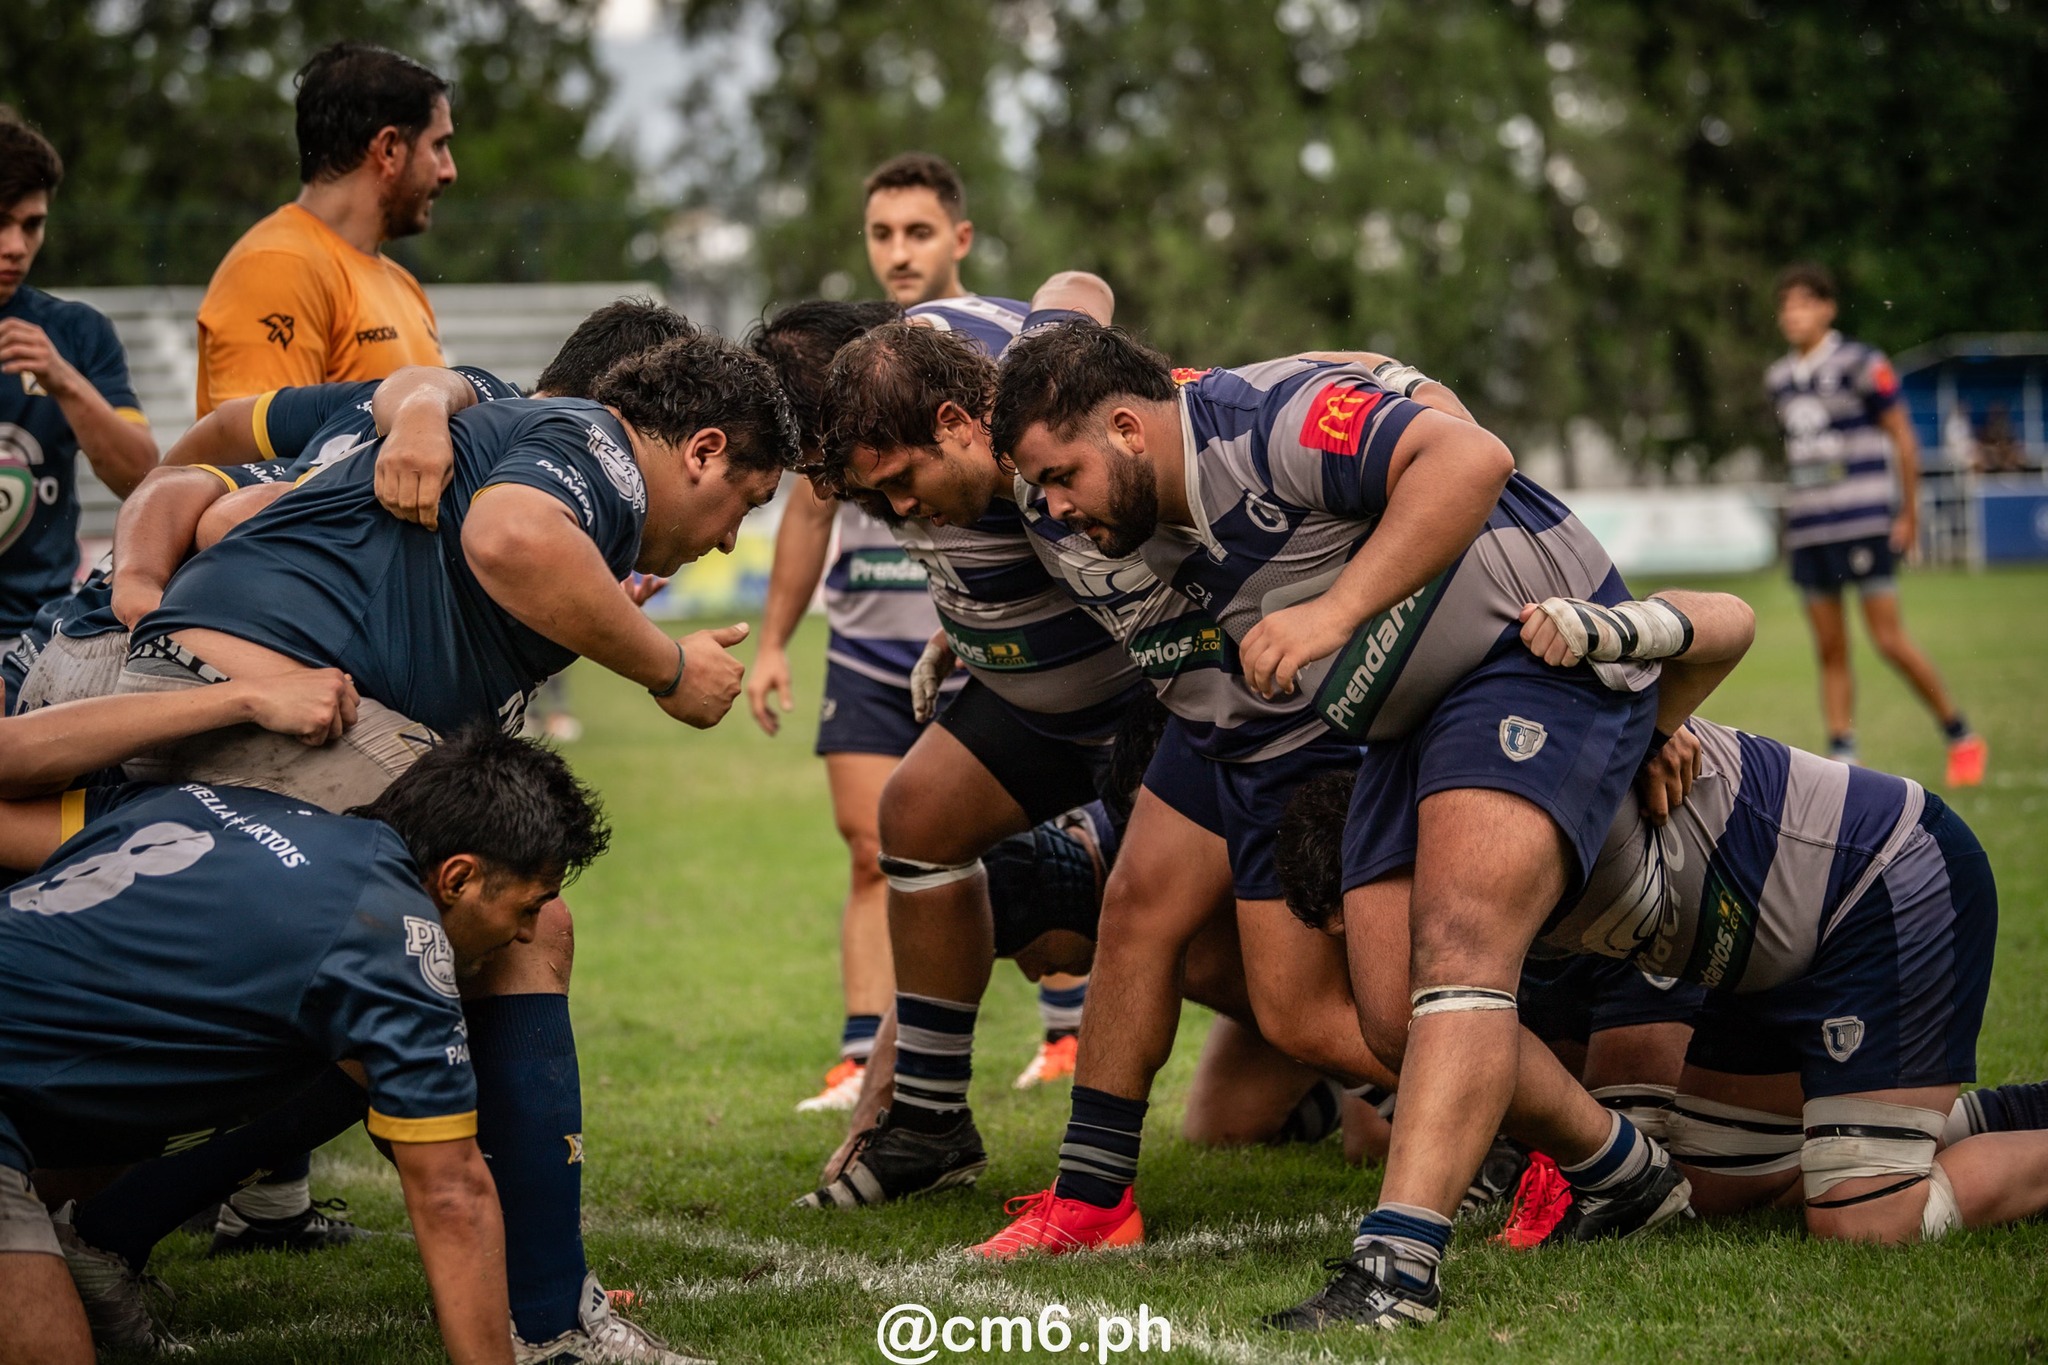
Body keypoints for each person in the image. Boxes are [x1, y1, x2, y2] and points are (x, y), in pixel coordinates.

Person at [992, 322, 1702, 1328]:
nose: (1051, 505)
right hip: (1392, 713)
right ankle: (1622, 1174)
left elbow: (1468, 455)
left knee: (1455, 954)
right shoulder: (1115, 481)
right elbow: (1068, 309)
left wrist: (1333, 617)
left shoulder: (1266, 423)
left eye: (1060, 476)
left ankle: (1395, 1271)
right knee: (1380, 1011)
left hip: (1525, 663)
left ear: (1123, 425)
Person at [0, 728, 611, 1365]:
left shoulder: (215, 803)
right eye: (528, 906)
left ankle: (89, 1239)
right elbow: (451, 1194)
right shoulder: (394, 942)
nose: (527, 934)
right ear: (458, 878)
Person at [790, 286, 1157, 1209]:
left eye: (886, 481)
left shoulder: (1034, 414)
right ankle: (929, 1120)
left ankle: (1099, 1171)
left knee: (1201, 934)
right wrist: (969, 620)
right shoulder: (902, 421)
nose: (889, 508)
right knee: (916, 814)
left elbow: (1075, 295)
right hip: (1030, 699)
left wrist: (1067, 346)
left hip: (1144, 707)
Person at [1768, 263, 1984, 786]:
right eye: (1786, 305)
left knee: (1889, 640)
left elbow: (1903, 438)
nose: (1793, 314)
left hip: (1863, 524)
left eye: (1803, 303)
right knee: (1829, 649)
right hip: (1810, 532)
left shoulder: (1862, 363)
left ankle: (1961, 735)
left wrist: (1907, 514)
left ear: (1827, 308)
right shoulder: (1778, 379)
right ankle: (1844, 755)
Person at [193, 42, 455, 418]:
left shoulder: (403, 284)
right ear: (389, 148)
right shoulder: (277, 266)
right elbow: (260, 469)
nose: (449, 171)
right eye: (439, 145)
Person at [0, 107, 157, 691]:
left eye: (32, 224)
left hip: (36, 635)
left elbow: (142, 477)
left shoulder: (75, 333)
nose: (16, 246)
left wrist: (64, 380)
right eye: (1, 221)